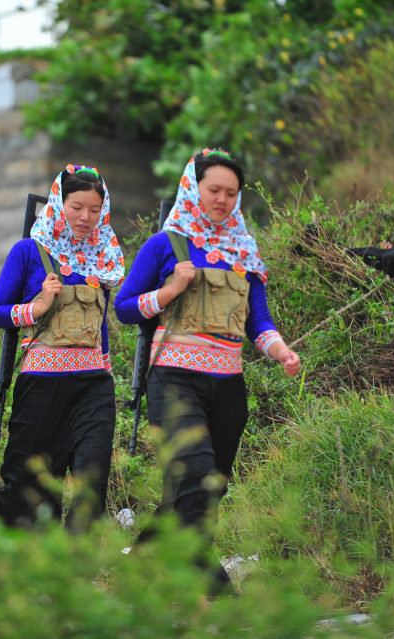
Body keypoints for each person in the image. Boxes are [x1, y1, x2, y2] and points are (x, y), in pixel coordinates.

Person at [114, 148, 301, 589]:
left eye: (231, 193)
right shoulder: (166, 244)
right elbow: (124, 308)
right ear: (193, 188)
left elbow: (259, 321)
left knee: (207, 485)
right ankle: (207, 581)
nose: (222, 199)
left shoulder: (244, 253)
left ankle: (142, 560)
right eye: (214, 189)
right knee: (194, 475)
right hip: (174, 380)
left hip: (229, 386)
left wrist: (281, 352)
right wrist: (171, 288)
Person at [0, 164, 125, 530]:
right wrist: (36, 307)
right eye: (77, 207)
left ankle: (75, 565)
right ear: (58, 203)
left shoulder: (104, 256)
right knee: (27, 481)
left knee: (93, 476)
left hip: (94, 383)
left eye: (95, 210)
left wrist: (106, 365)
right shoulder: (29, 251)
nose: (86, 217)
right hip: (42, 382)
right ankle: (10, 561)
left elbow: (99, 323)